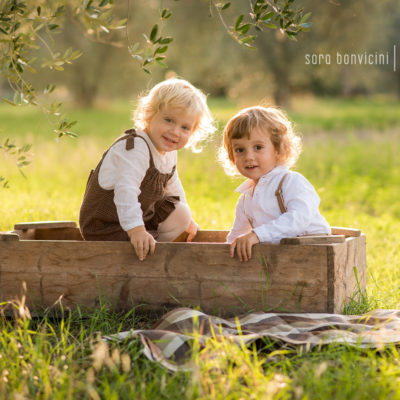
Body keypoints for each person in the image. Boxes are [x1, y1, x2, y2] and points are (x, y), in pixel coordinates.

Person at [79, 78, 215, 260]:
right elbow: (125, 191)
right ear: (149, 115)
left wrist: (188, 221)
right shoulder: (136, 148)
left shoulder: (168, 151)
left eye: (185, 127)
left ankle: (155, 255)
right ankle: (145, 253)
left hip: (137, 219)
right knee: (164, 219)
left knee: (181, 214)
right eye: (169, 120)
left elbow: (173, 188)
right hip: (106, 226)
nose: (175, 132)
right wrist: (136, 230)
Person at [219, 106, 331, 262]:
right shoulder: (246, 199)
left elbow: (298, 219)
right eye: (239, 150)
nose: (249, 156)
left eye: (258, 147)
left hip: (313, 253)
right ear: (232, 157)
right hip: (280, 261)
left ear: (278, 149)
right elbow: (237, 235)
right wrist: (221, 254)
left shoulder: (291, 182)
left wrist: (257, 235)